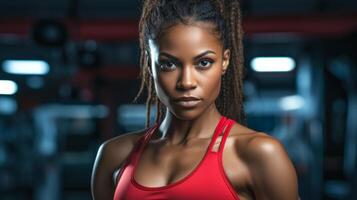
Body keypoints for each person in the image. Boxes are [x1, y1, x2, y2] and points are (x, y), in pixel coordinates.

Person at [91, 0, 299, 199]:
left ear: (225, 61)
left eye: (204, 63)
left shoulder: (257, 154)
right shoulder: (114, 156)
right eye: (168, 65)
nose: (186, 82)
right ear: (148, 64)